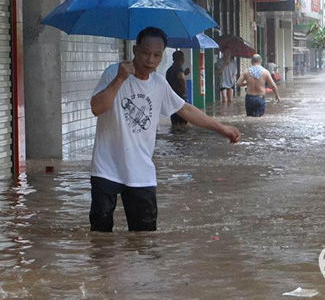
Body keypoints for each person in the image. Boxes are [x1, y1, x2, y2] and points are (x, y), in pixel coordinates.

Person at [89, 27, 241, 232]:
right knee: (100, 237)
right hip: (106, 169)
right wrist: (119, 79)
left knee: (145, 239)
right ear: (135, 50)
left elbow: (186, 109)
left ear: (162, 56)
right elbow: (97, 108)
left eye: (157, 55)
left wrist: (221, 128)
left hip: (141, 172)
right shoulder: (112, 73)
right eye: (145, 53)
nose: (150, 59)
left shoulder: (159, 83)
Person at [166, 50, 190, 131]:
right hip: (179, 97)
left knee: (175, 124)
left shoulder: (169, 70)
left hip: (171, 98)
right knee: (183, 122)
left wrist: (184, 73)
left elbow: (174, 79)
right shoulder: (179, 68)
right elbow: (181, 79)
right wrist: (184, 90)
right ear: (181, 58)